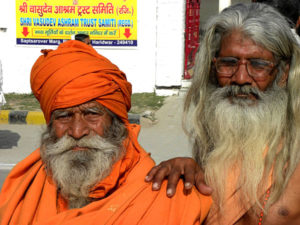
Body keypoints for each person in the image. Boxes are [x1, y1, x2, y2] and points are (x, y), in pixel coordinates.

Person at [0, 41, 211, 224]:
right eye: (64, 116)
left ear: (116, 123)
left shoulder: (163, 193)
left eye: (92, 113)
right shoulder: (26, 185)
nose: (77, 131)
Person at [146, 3, 300, 224]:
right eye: (228, 63)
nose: (240, 78)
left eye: (258, 65)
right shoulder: (214, 140)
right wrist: (188, 171)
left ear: (283, 73)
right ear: (212, 66)